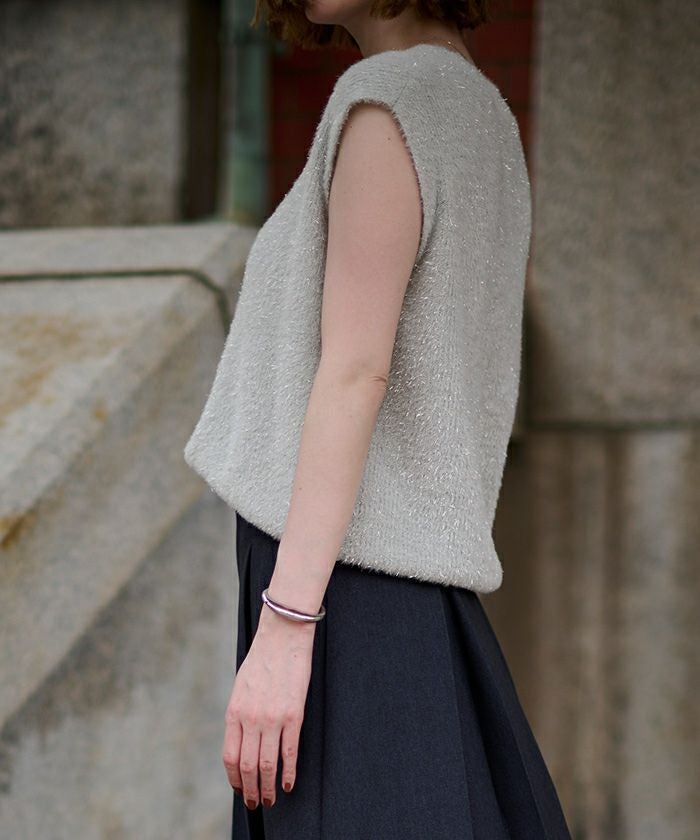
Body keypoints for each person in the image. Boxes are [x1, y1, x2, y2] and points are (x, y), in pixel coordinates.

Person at [183, 1, 573, 837]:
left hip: (340, 593)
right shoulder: (484, 113)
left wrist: (285, 630)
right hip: (405, 598)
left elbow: (356, 371)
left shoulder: (387, 103)